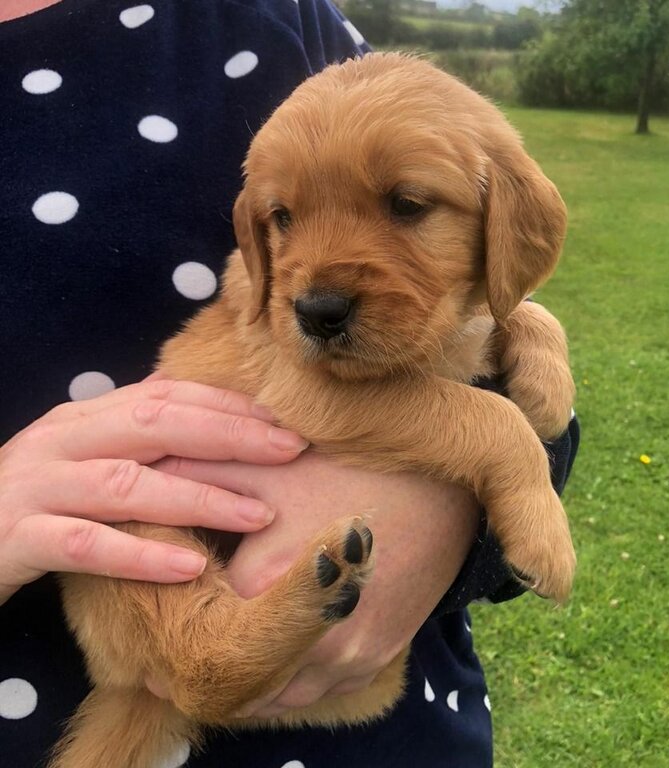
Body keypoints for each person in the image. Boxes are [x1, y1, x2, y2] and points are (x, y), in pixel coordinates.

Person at [0, 1, 579, 766]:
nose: (319, 288)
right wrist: (504, 449)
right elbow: (311, 398)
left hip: (382, 722)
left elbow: (521, 379)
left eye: (404, 206)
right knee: (134, 527)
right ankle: (217, 658)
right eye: (284, 218)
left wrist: (531, 340)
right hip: (136, 605)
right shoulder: (285, 310)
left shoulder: (277, 19)